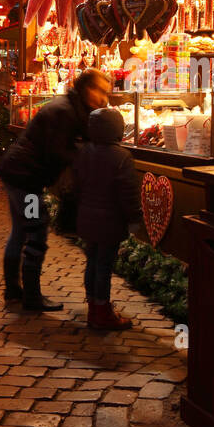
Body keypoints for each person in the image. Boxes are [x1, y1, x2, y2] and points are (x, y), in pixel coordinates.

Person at [0, 67, 111, 312]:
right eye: (100, 91)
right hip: (26, 179)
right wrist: (84, 156)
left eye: (106, 93)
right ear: (85, 88)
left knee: (20, 232)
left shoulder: (71, 108)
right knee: (35, 231)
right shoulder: (65, 112)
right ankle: (31, 297)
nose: (103, 98)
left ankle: (14, 292)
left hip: (20, 174)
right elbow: (57, 151)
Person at [73, 106, 142, 331]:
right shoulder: (122, 156)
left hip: (87, 218)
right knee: (103, 266)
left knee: (92, 263)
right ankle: (102, 313)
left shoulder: (84, 152)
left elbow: (76, 185)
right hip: (110, 222)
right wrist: (135, 218)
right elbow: (128, 193)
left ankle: (95, 307)